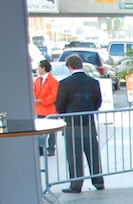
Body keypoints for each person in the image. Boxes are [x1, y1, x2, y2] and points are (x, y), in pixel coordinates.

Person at [55, 54, 104, 193]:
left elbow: (59, 105)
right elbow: (98, 103)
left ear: (69, 66)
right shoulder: (93, 82)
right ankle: (98, 181)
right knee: (93, 153)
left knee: (74, 156)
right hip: (88, 123)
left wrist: (65, 115)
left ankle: (76, 184)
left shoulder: (65, 83)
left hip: (72, 124)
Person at [33, 59, 59, 156]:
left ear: (43, 68)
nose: (38, 69)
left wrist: (41, 100)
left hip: (50, 110)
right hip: (40, 109)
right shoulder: (38, 80)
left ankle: (51, 148)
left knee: (51, 131)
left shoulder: (53, 81)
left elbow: (53, 96)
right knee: (40, 131)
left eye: (39, 67)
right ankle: (40, 148)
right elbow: (34, 90)